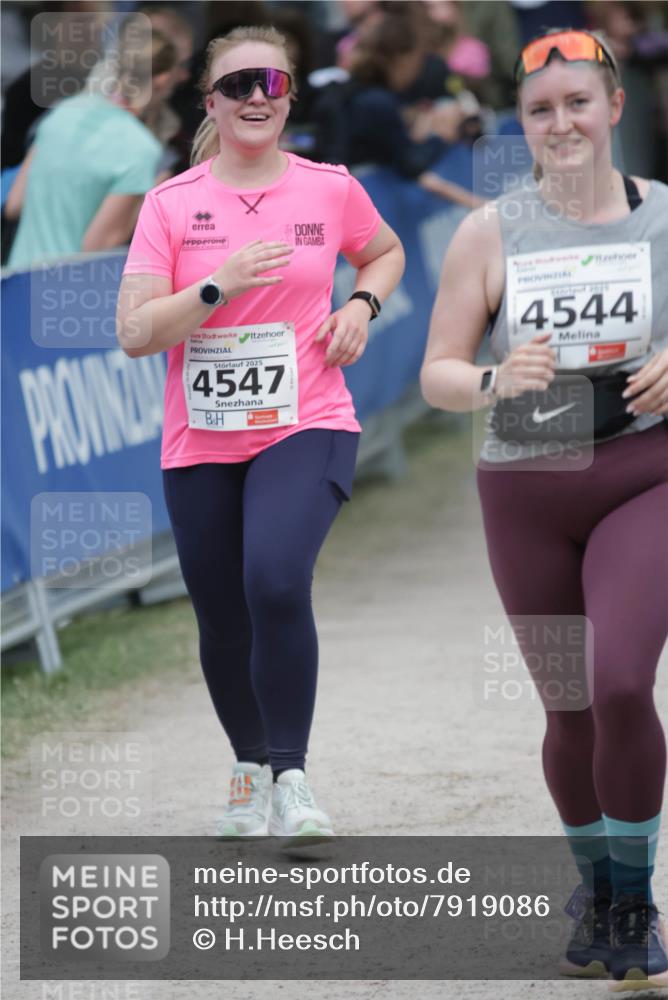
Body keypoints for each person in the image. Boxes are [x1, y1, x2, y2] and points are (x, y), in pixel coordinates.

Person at [420, 27, 668, 988]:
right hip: (525, 488)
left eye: (578, 103)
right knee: (568, 710)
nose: (561, 122)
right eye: (539, 110)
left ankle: (637, 902)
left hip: (644, 473)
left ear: (614, 108)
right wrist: (492, 378)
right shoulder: (492, 232)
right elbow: (439, 372)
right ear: (521, 125)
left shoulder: (665, 222)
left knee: (616, 682)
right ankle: (600, 896)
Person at [116, 25, 404, 846]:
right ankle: (247, 766)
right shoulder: (172, 203)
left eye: (270, 85)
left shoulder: (328, 187)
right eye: (237, 84)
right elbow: (135, 333)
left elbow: (381, 254)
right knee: (221, 615)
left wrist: (360, 305)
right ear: (210, 101)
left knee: (275, 579)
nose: (254, 98)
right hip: (202, 439)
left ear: (288, 100)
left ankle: (292, 777)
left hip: (307, 419)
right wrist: (216, 285)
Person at [5, 27, 180, 269]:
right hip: (68, 294)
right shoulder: (141, 149)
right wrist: (145, 203)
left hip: (15, 282)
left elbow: (14, 204)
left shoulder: (61, 112)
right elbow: (96, 246)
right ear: (163, 79)